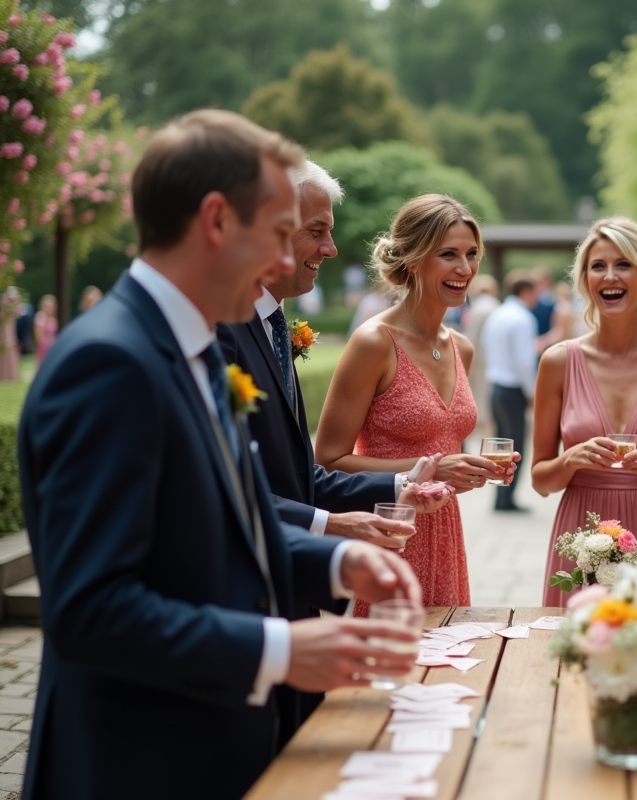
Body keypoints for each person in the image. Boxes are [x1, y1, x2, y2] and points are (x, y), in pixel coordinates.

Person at [17, 109, 423, 800]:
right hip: (137, 764)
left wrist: (339, 559)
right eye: (276, 233)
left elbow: (232, 520)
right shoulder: (110, 364)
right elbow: (91, 613)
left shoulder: (200, 351)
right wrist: (281, 651)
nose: (284, 262)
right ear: (214, 220)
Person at [216, 160, 451, 733]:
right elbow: (226, 494)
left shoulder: (272, 326)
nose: (331, 247)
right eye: (317, 230)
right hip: (247, 617)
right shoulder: (222, 334)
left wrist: (399, 486)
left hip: (293, 596)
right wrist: (336, 532)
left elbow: (296, 475)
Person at [315, 194, 515, 611]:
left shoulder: (462, 347)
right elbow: (328, 460)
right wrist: (428, 468)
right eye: (448, 255)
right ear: (413, 260)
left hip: (447, 534)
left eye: (471, 255)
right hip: (390, 531)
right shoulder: (375, 343)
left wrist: (470, 470)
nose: (465, 269)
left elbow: (445, 451)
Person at [532, 217, 637, 607]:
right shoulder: (557, 361)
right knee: (576, 654)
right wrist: (571, 459)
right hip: (580, 535)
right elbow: (540, 481)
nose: (610, 276)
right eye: (598, 266)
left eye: (623, 264)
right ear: (585, 280)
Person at [481, 271, 539, 511]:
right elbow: (525, 361)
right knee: (516, 448)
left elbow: (485, 346)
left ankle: (500, 496)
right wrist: (532, 392)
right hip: (513, 389)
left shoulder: (497, 314)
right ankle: (508, 498)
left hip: (495, 385)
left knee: (500, 447)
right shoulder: (524, 318)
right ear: (525, 292)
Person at [463, 273, 500, 432]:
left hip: (480, 357)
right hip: (493, 357)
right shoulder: (496, 305)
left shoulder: (478, 307)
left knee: (480, 392)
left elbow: (471, 336)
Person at [33, 294, 56, 365]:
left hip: (54, 347)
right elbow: (39, 337)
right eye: (46, 307)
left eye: (51, 307)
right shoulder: (40, 318)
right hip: (44, 349)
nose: (49, 309)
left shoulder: (54, 319)